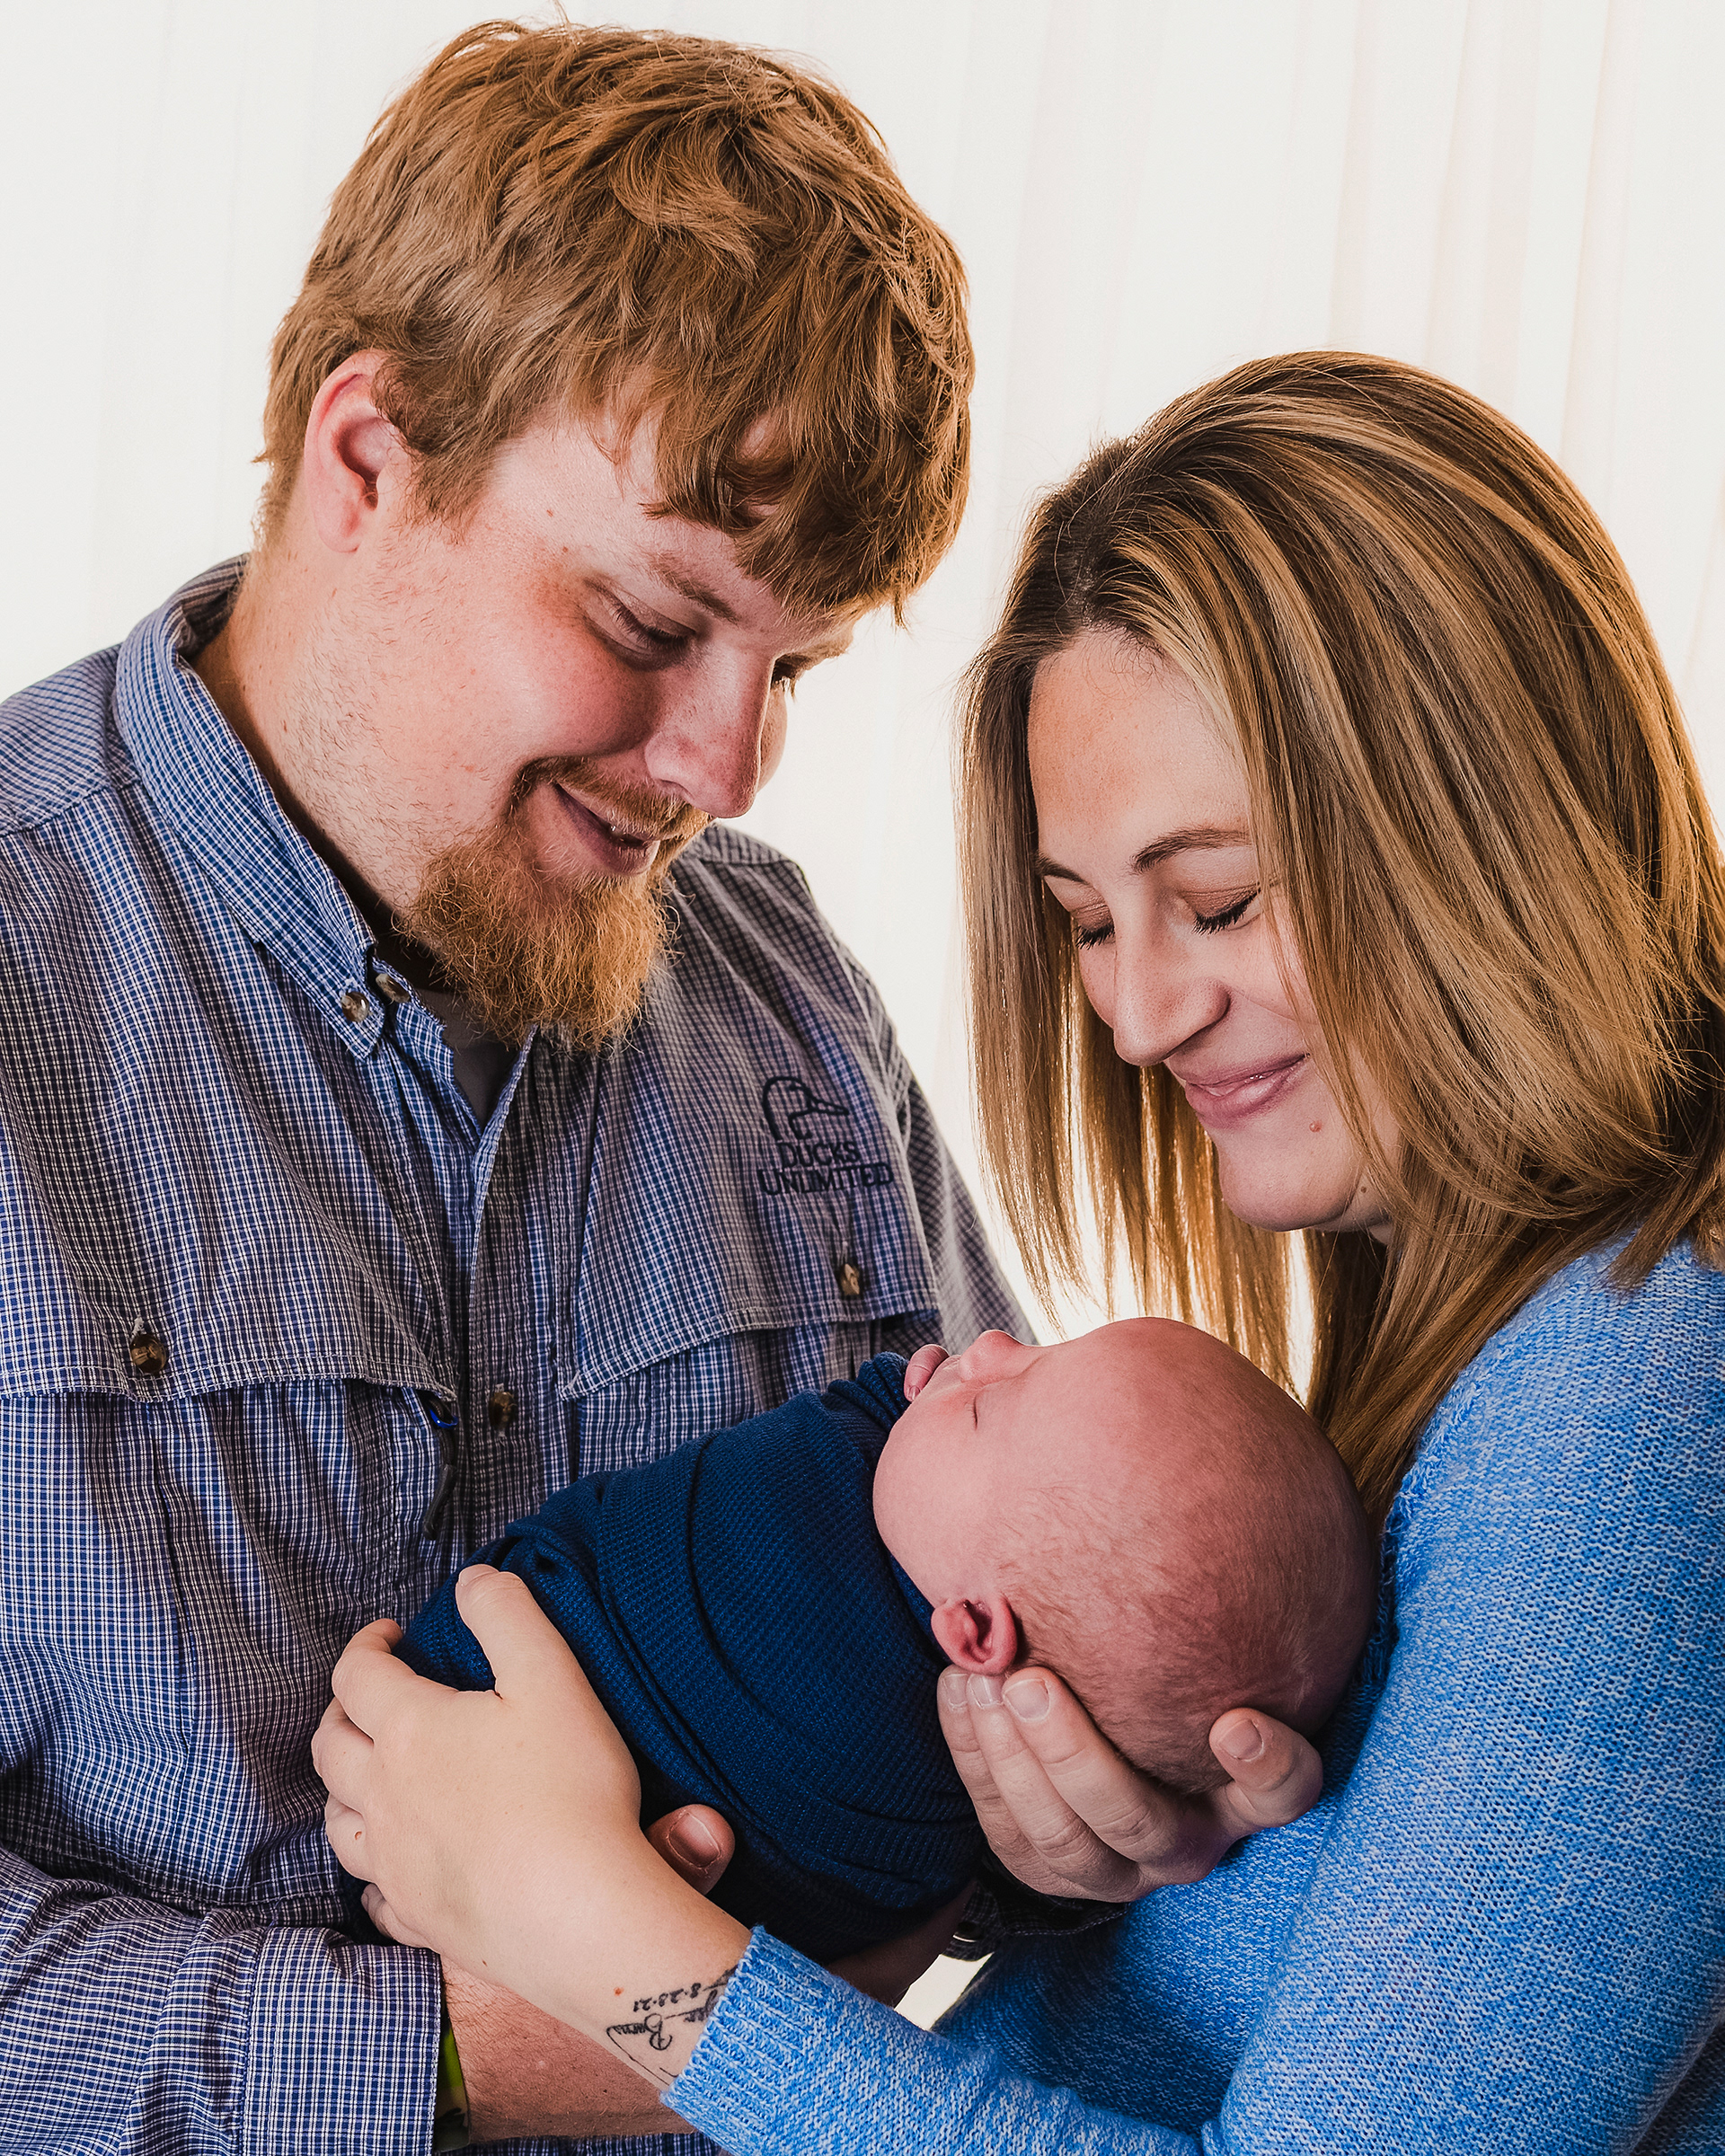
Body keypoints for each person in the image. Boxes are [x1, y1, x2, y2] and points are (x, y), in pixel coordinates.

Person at [318, 351, 1725, 2152]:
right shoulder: (1499, 1369)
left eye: (1216, 900)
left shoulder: (1635, 1394)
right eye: (1088, 925)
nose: (1137, 1016)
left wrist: (600, 1940)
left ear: (1484, 823)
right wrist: (1036, 1874)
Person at [0, 20, 1092, 2153]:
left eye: (792, 669)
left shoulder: (785, 996)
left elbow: (1020, 1638)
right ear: (367, 460)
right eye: (651, 621)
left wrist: (1078, 1814)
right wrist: (473, 2050)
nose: (726, 768)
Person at [393, 1321, 1374, 1960]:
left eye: (988, 1402)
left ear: (973, 1632)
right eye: (1041, 1347)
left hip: (446, 1737)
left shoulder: (824, 1541)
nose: (990, 1341)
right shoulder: (982, 1526)